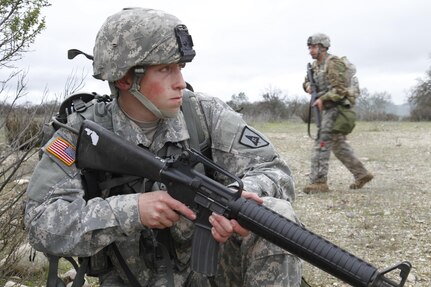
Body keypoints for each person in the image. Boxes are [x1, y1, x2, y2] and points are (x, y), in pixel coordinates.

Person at [24, 7, 303, 287]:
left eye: (180, 68)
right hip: (129, 278)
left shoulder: (205, 115)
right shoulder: (80, 133)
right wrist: (131, 210)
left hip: (207, 273)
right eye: (165, 69)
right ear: (125, 78)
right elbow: (40, 223)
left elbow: (274, 170)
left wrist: (236, 200)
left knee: (274, 216)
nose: (180, 83)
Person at [302, 33, 373, 194]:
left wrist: (323, 98)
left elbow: (340, 90)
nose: (310, 51)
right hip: (325, 110)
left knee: (322, 143)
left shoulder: (332, 63)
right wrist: (308, 87)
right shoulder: (314, 66)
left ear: (323, 47)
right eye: (309, 47)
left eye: (313, 47)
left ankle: (319, 182)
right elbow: (306, 81)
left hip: (335, 109)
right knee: (338, 146)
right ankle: (362, 174)